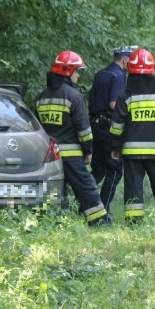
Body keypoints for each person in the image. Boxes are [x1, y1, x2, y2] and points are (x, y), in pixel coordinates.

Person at [36, 50, 111, 226]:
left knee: (55, 188)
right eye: (77, 71)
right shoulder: (73, 96)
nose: (78, 75)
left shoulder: (40, 98)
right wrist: (88, 151)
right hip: (71, 154)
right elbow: (84, 129)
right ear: (67, 72)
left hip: (50, 156)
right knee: (86, 187)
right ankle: (99, 220)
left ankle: (55, 221)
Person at [109, 48, 155, 222]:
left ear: (130, 70)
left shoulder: (125, 95)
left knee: (133, 186)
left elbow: (117, 125)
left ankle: (134, 221)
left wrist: (115, 146)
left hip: (132, 153)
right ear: (152, 69)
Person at [88, 46, 136, 214]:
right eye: (131, 60)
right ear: (125, 60)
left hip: (95, 126)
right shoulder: (119, 76)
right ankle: (103, 209)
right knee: (114, 171)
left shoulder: (101, 73)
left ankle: (84, 205)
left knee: (98, 170)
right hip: (108, 128)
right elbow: (114, 104)